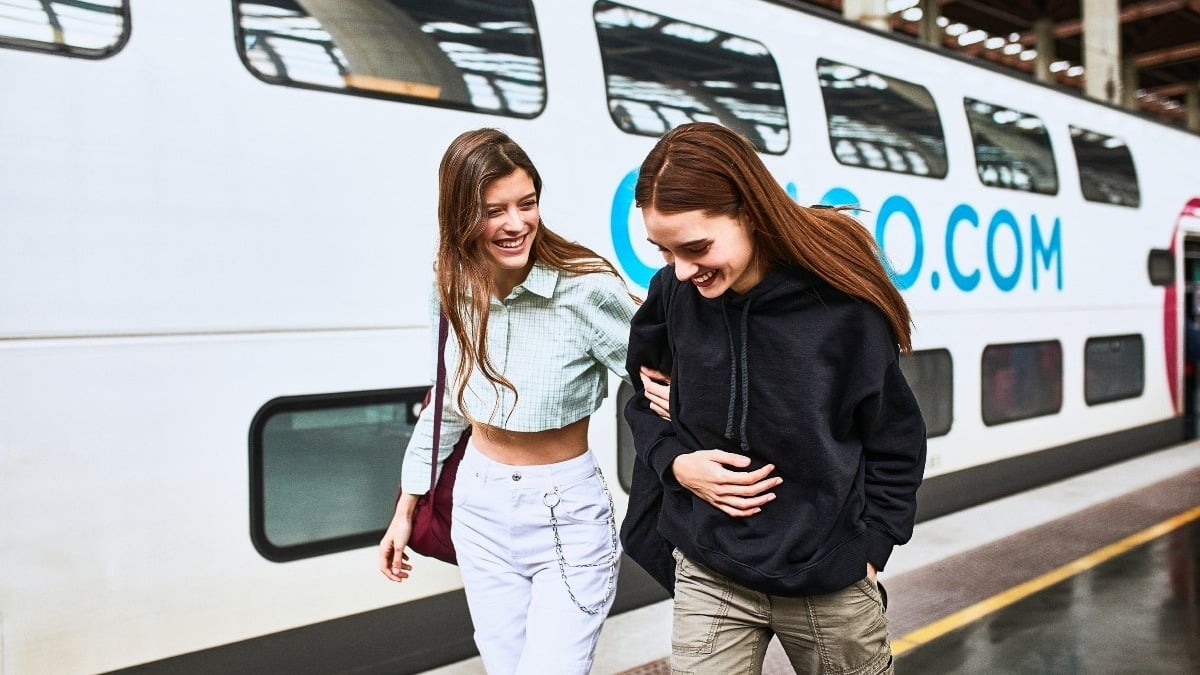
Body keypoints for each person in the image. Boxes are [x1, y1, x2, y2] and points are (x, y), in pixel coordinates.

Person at [623, 122, 927, 675]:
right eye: (664, 252)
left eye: (696, 247)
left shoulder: (842, 309)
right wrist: (677, 464)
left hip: (828, 580)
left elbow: (897, 439)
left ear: (751, 212)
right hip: (709, 569)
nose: (682, 270)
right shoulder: (672, 294)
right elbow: (643, 402)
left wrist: (871, 548)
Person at [377, 128, 644, 674]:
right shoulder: (449, 283)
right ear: (458, 216)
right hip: (478, 508)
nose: (517, 223)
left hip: (565, 512)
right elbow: (450, 401)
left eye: (528, 203)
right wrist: (406, 507)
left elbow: (663, 384)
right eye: (494, 210)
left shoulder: (585, 287)